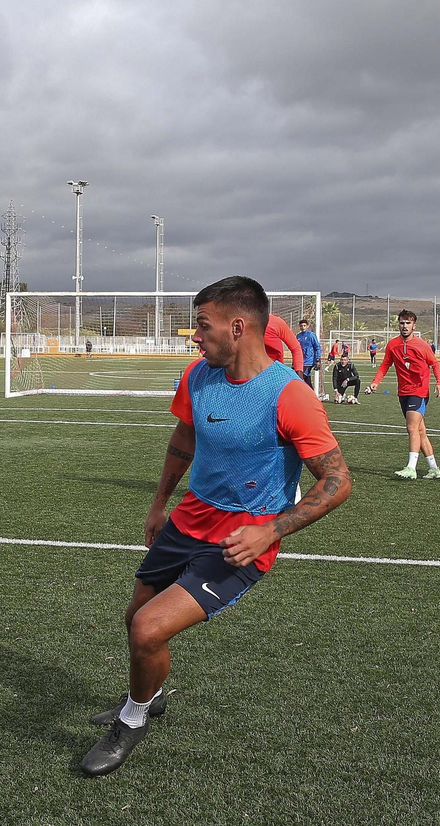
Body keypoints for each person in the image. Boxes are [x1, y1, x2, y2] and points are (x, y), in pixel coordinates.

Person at [81, 276, 351, 777]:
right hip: (188, 519)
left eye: (203, 326)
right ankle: (152, 695)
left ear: (239, 326)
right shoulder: (198, 375)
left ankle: (133, 718)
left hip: (241, 540)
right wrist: (158, 503)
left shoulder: (290, 396)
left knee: (147, 628)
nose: (195, 336)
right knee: (135, 615)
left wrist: (270, 531)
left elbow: (337, 482)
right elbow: (184, 436)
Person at [368, 309, 440, 479]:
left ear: (414, 325)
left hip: (419, 391)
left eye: (408, 323)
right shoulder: (393, 344)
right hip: (403, 392)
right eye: (402, 323)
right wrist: (375, 382)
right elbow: (385, 365)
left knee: (411, 427)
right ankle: (434, 468)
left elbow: (435, 364)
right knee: (420, 431)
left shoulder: (422, 345)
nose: (404, 326)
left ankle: (411, 468)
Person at [262, 313, 305, 377]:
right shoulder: (244, 323)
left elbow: (296, 348)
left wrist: (299, 373)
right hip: (250, 376)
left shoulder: (275, 322)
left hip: (276, 376)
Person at [297, 318, 323, 396]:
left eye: (304, 325)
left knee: (300, 377)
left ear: (307, 326)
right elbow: (296, 349)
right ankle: (312, 396)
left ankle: (302, 395)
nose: (303, 327)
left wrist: (318, 359)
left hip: (309, 361)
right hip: (301, 360)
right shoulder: (298, 336)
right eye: (301, 326)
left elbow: (317, 347)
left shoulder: (311, 335)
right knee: (306, 380)